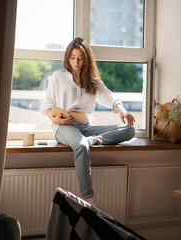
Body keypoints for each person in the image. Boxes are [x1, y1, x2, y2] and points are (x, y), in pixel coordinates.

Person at [40, 37, 135, 206]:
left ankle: (96, 140)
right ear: (67, 58)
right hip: (64, 127)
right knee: (82, 146)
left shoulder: (93, 80)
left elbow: (109, 96)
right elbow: (47, 103)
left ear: (86, 59)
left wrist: (122, 110)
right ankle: (89, 199)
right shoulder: (58, 77)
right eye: (72, 57)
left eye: (80, 58)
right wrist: (53, 118)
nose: (76, 62)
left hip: (85, 128)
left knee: (129, 130)